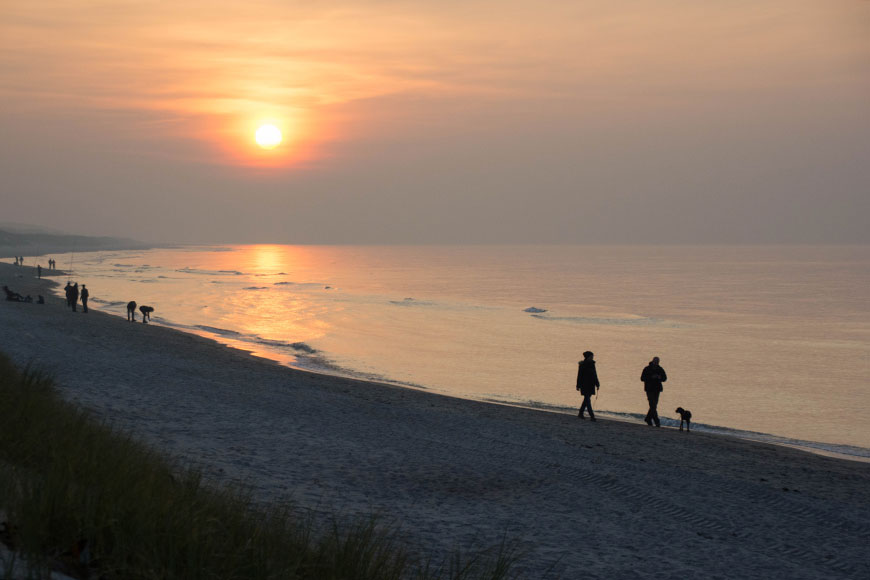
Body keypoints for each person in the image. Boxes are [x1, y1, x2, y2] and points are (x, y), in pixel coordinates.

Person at [641, 356, 667, 427]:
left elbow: (665, 378)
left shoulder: (660, 369)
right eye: (655, 361)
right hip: (649, 389)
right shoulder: (647, 369)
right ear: (652, 361)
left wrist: (660, 377)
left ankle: (648, 418)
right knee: (652, 405)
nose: (656, 363)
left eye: (657, 362)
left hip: (657, 389)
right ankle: (657, 422)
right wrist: (651, 377)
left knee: (654, 406)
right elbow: (642, 378)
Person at [576, 350, 600, 421]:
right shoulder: (582, 365)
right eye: (591, 356)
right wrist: (578, 385)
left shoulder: (592, 364)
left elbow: (595, 374)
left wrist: (597, 384)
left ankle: (580, 413)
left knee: (586, 400)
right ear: (588, 357)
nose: (592, 357)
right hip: (584, 385)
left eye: (592, 356)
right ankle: (592, 416)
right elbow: (579, 375)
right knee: (588, 400)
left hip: (591, 384)